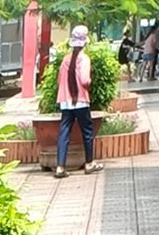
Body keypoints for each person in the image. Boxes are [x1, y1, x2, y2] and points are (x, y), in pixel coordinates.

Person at [55, 26, 100, 178]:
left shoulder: (65, 59)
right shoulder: (84, 58)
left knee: (64, 133)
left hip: (65, 102)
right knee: (87, 131)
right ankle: (89, 163)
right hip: (80, 101)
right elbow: (85, 80)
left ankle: (60, 167)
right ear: (85, 42)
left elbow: (59, 80)